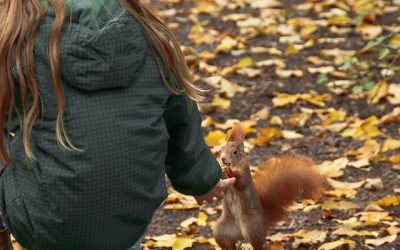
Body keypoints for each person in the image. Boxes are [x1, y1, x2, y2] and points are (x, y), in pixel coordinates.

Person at [0, 0, 235, 249]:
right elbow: (181, 120)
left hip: (44, 224)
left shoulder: (16, 36)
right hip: (130, 217)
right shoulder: (147, 32)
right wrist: (201, 181)